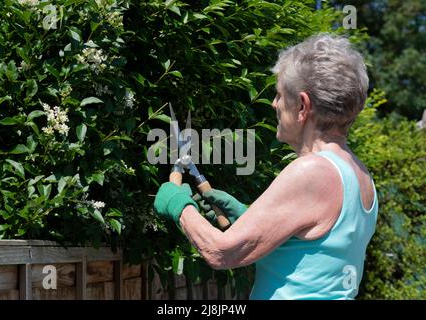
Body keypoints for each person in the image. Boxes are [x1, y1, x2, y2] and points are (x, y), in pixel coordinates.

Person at [153, 33, 378, 300]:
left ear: (303, 106)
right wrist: (247, 217)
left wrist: (178, 205)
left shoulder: (312, 172)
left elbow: (221, 252)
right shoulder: (360, 176)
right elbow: (315, 251)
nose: (274, 103)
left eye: (280, 95)